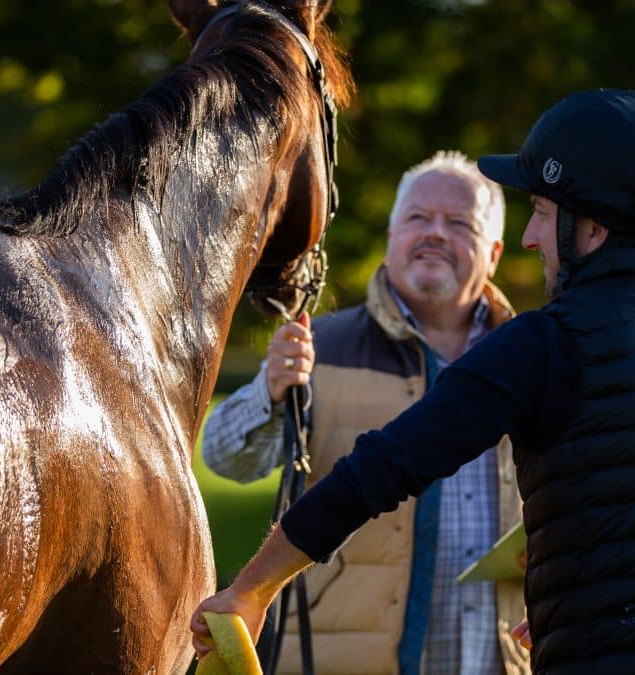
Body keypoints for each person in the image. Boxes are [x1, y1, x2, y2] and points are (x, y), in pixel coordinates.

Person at [192, 88, 635, 674]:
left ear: (590, 224)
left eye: (540, 211)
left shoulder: (549, 343)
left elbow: (385, 467)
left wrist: (252, 590)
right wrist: (579, 592)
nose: (533, 238)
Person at [201, 150, 531, 674]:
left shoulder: (530, 358)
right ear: (392, 235)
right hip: (338, 659)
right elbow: (224, 459)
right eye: (418, 218)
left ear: (492, 254)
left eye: (459, 223)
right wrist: (271, 389)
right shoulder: (320, 344)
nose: (435, 233)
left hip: (498, 660)